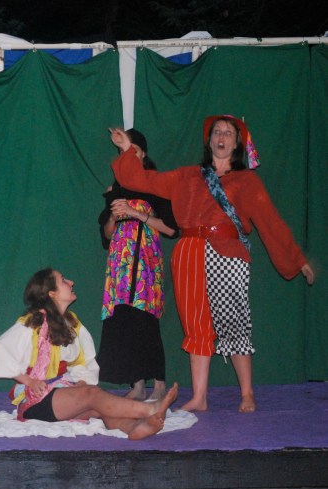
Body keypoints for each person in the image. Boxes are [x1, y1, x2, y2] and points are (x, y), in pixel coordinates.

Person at [109, 115, 315, 413]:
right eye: (217, 132)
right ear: (209, 140)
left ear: (237, 143)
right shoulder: (188, 176)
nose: (222, 137)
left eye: (228, 133)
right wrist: (127, 148)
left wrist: (297, 259)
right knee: (195, 324)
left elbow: (270, 221)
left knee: (234, 320)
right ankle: (199, 397)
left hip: (227, 252)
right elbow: (142, 180)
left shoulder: (247, 180)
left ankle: (247, 393)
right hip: (189, 251)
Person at [0, 268, 179, 440]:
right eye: (63, 280)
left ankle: (134, 428)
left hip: (60, 393)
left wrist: (82, 381)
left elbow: (82, 361)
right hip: (37, 400)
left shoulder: (72, 323)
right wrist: (29, 381)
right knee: (92, 394)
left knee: (99, 407)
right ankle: (150, 409)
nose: (71, 282)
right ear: (52, 293)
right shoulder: (33, 322)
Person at [97, 129, 179, 401]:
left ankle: (159, 384)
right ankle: (137, 384)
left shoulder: (155, 185)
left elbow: (170, 229)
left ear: (142, 154)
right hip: (120, 262)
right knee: (124, 318)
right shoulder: (115, 190)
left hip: (145, 260)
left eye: (132, 150)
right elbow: (106, 235)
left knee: (145, 318)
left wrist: (135, 213)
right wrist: (114, 216)